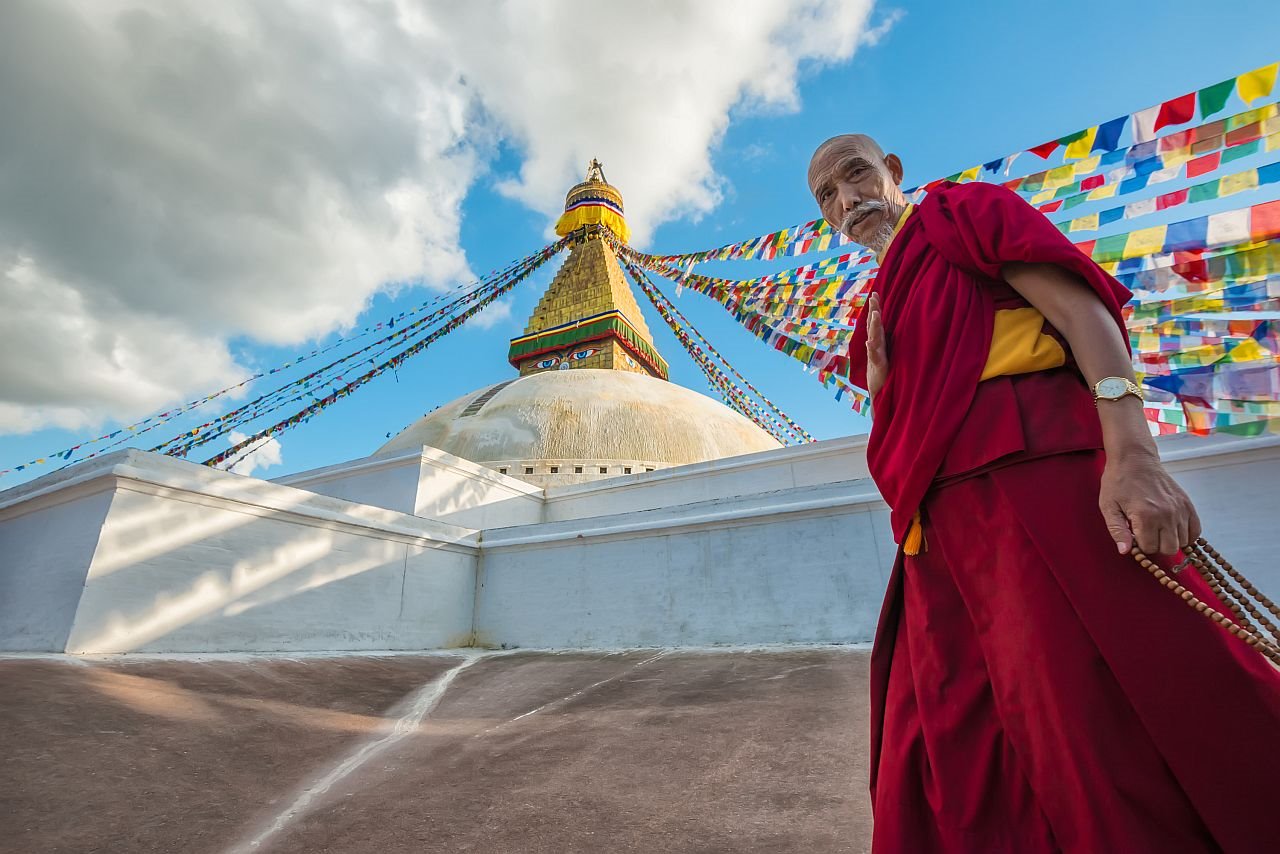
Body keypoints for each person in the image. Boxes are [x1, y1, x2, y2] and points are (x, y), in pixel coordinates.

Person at [808, 134, 1280, 853]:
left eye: (856, 175)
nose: (847, 200)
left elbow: (1082, 314)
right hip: (938, 542)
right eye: (827, 196)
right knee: (945, 746)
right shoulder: (873, 309)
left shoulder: (963, 215)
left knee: (1092, 716)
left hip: (1036, 482)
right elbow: (905, 438)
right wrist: (884, 392)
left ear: (893, 172)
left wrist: (1134, 454)